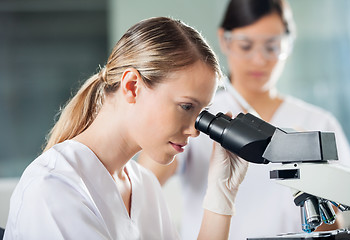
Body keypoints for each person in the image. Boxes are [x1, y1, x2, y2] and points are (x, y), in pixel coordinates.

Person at [4, 17, 249, 240]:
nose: (195, 130)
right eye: (186, 106)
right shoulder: (53, 188)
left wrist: (221, 195)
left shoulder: (145, 186)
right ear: (132, 86)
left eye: (201, 113)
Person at [138, 1, 350, 239]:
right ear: (224, 40)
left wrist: (315, 182)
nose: (258, 60)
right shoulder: (194, 115)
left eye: (272, 47)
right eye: (246, 46)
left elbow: (337, 225)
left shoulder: (318, 122)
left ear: (289, 43)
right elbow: (138, 193)